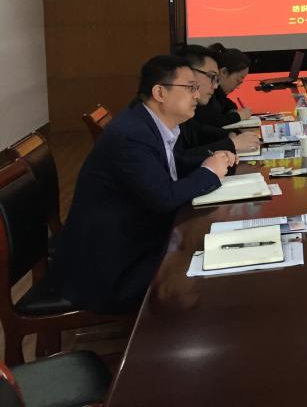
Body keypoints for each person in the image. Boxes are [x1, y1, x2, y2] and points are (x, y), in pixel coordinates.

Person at [53, 56, 232, 314]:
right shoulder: (131, 136)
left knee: (209, 252)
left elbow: (170, 168)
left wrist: (212, 161)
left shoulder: (146, 123)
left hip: (132, 242)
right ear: (160, 92)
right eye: (190, 87)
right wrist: (209, 172)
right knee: (208, 277)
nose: (197, 94)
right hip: (114, 267)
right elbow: (164, 197)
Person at [176, 44, 259, 164]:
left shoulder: (183, 117)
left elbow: (197, 130)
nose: (215, 86)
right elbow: (177, 162)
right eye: (212, 77)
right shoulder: (153, 126)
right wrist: (232, 143)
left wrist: (228, 137)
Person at [195, 43, 253, 127]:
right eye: (237, 80)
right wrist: (238, 116)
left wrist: (232, 110)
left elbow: (226, 103)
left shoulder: (218, 96)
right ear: (223, 72)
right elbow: (210, 121)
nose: (238, 86)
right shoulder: (204, 96)